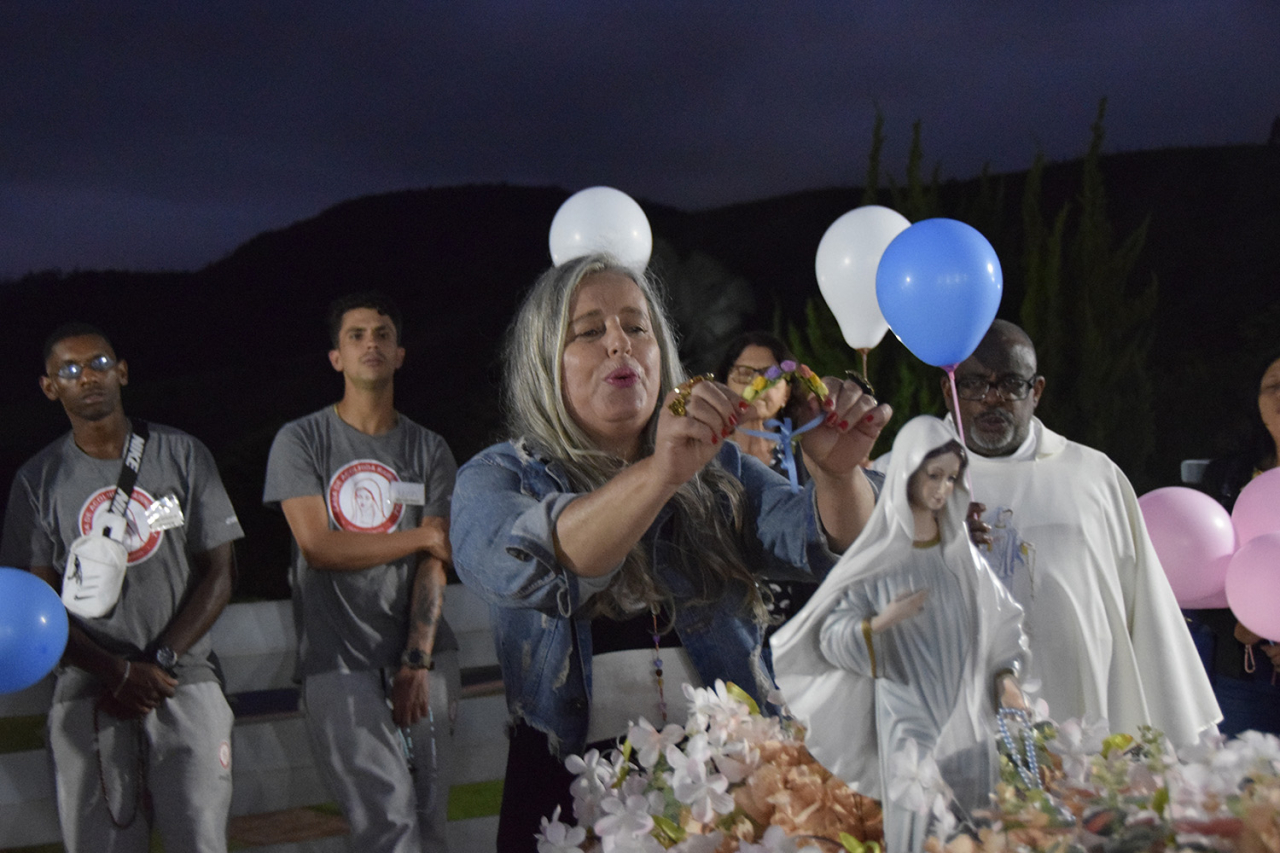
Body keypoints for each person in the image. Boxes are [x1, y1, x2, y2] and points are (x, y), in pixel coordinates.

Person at [449, 254, 891, 852]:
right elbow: (538, 561)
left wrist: (838, 476)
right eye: (589, 331)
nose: (620, 343)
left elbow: (825, 541)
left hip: (727, 792)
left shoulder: (719, 468)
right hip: (571, 799)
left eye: (638, 327)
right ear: (542, 362)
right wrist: (660, 474)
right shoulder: (499, 477)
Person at [0, 323, 242, 853]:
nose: (88, 377)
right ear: (49, 387)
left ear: (123, 372)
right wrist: (116, 671)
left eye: (100, 364)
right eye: (70, 370)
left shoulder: (183, 454)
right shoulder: (38, 480)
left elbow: (220, 573)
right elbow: (36, 604)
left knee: (200, 842)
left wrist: (159, 660)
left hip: (183, 680)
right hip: (91, 690)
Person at [937, 319, 1219, 747]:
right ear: (949, 391)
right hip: (946, 717)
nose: (992, 398)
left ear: (1037, 391)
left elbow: (1144, 606)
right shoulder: (899, 479)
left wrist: (1176, 731)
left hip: (1079, 720)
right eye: (974, 384)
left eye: (1011, 383)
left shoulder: (1093, 477)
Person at [773, 416, 1029, 853]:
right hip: (908, 720)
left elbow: (1003, 622)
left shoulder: (962, 561)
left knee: (977, 824)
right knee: (918, 824)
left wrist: (1006, 678)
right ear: (908, 473)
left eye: (951, 478)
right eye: (934, 475)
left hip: (968, 716)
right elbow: (831, 636)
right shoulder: (879, 559)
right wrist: (881, 622)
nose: (942, 488)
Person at [263, 293, 460, 853]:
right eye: (356, 335)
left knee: (430, 826)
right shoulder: (301, 440)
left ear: (400, 354)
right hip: (339, 662)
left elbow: (436, 561)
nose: (371, 343)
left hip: (424, 662)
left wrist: (417, 659)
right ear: (336, 358)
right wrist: (419, 535)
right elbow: (319, 546)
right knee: (386, 827)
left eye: (382, 334)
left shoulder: (429, 448)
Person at [1189, 349, 1280, 736]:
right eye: (1274, 386)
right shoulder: (1227, 477)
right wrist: (1236, 621)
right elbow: (1195, 570)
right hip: (1242, 673)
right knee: (1241, 774)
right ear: (1257, 402)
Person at [717, 331, 809, 483]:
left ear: (786, 393)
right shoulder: (707, 453)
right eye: (744, 373)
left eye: (770, 376)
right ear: (725, 385)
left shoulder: (807, 457)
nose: (756, 383)